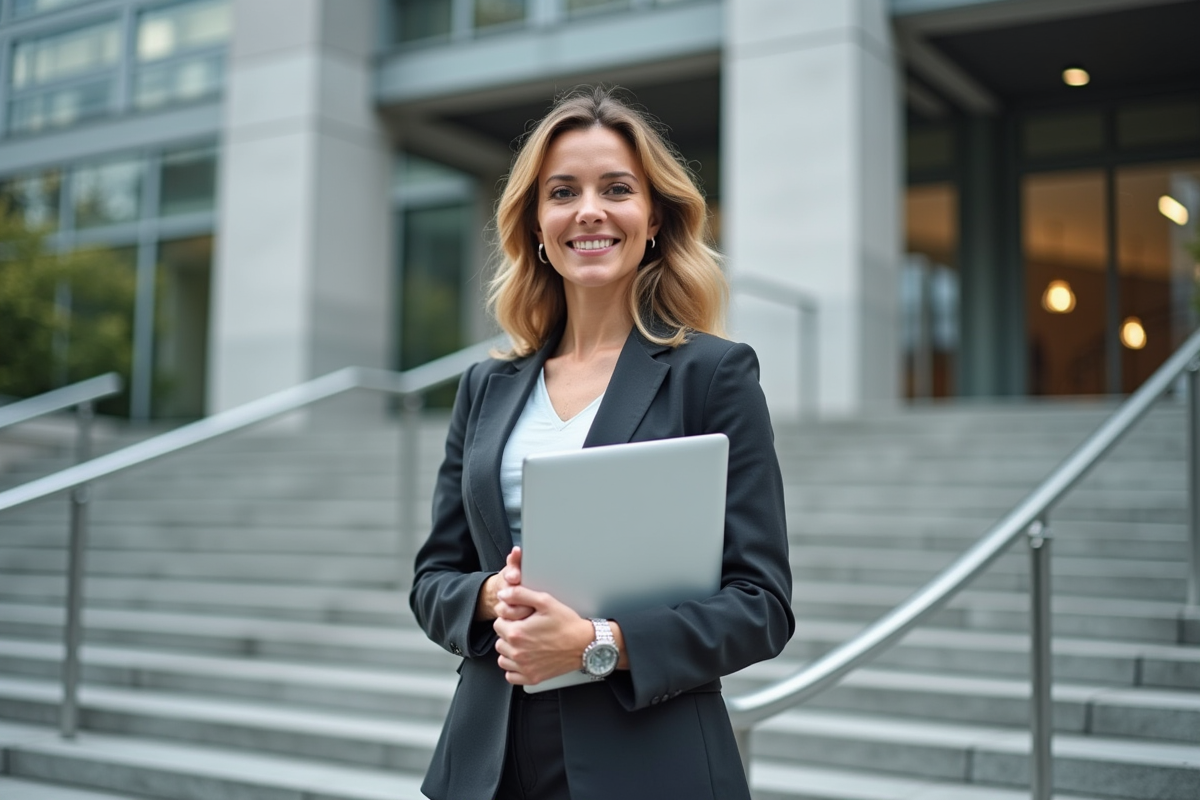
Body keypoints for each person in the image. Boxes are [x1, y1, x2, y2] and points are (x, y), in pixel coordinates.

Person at [409, 85, 794, 800]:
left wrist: (599, 644)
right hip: (489, 760)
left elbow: (761, 605)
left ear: (654, 219)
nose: (589, 210)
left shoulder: (713, 375)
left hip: (648, 758)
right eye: (563, 192)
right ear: (536, 224)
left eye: (616, 189)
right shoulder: (485, 387)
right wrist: (491, 595)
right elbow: (432, 580)